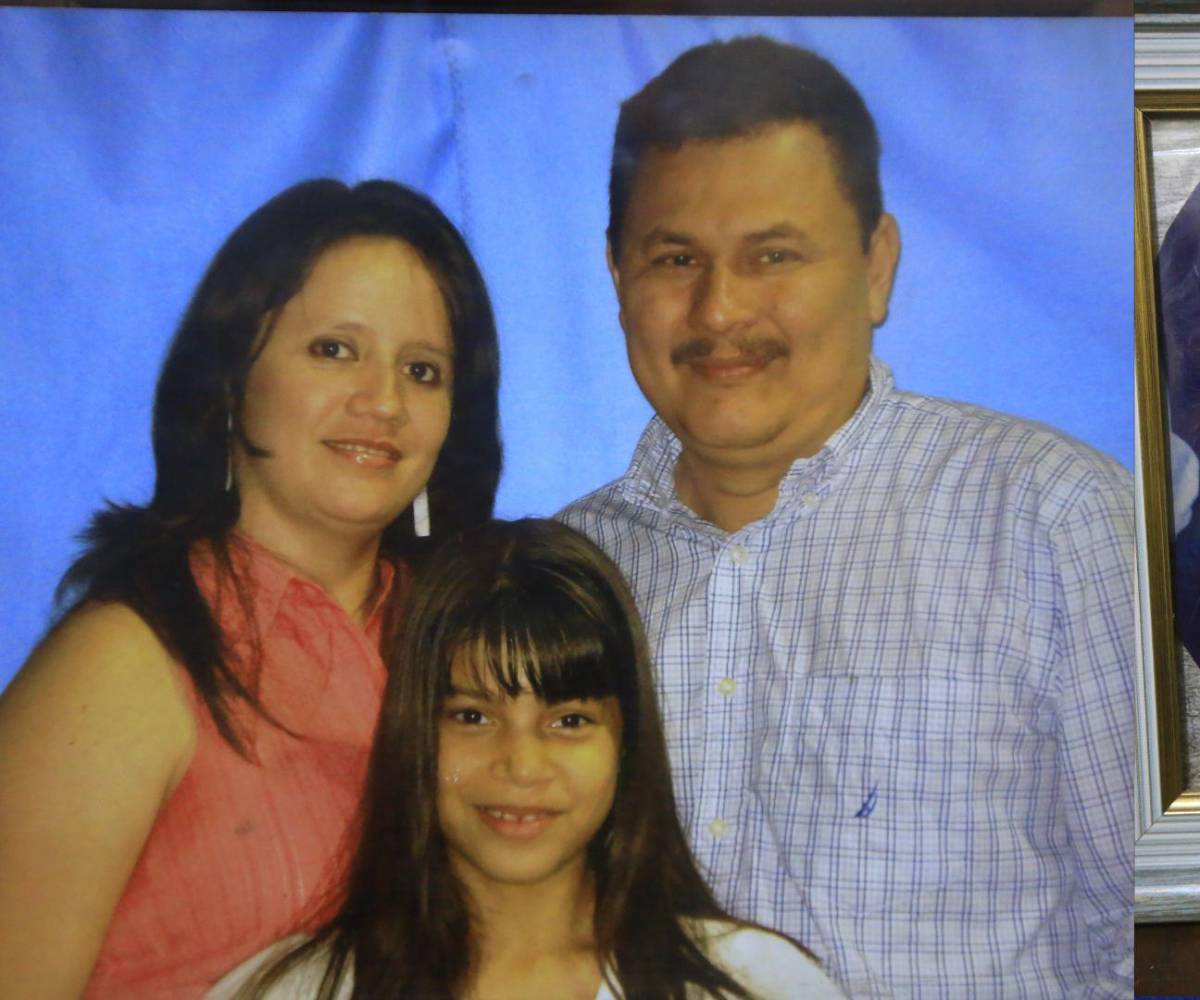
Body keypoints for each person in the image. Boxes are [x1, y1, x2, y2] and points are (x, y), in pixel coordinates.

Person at [559, 35, 1134, 999]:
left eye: (773, 255)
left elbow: (1162, 923)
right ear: (617, 275)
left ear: (876, 266)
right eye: (675, 258)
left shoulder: (1054, 518)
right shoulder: (565, 571)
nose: (719, 309)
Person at [0, 179, 502, 998]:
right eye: (334, 350)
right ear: (232, 378)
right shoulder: (123, 663)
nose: (383, 402)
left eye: (422, 370)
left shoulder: (470, 648)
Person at [205, 518, 844, 999]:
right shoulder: (293, 990)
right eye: (472, 716)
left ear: (626, 745)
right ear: (412, 734)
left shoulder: (755, 983)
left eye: (569, 721)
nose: (521, 764)